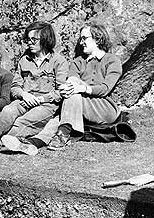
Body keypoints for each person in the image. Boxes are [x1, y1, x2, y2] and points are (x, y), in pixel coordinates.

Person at [0, 21, 69, 156]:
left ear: (46, 39)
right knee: (8, 110)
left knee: (24, 121)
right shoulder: (24, 60)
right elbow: (15, 86)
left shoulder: (59, 62)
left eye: (34, 39)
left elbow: (60, 92)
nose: (29, 42)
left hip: (46, 105)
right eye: (27, 39)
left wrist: (40, 99)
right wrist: (24, 94)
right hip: (25, 100)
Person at [40, 23, 122, 151]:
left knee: (73, 88)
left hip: (105, 108)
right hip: (80, 104)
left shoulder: (112, 61)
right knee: (70, 90)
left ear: (98, 38)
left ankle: (63, 135)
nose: (81, 42)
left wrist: (82, 88)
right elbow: (71, 84)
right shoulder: (78, 62)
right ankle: (36, 141)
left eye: (84, 38)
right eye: (80, 39)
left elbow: (105, 88)